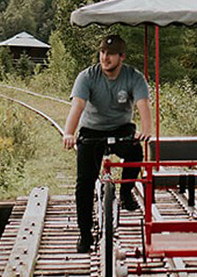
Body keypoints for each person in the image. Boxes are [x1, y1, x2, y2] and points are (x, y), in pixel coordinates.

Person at [63, 34, 153, 253]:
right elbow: (78, 106)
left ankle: (125, 192)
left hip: (121, 128)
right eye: (103, 52)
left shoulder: (133, 77)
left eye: (111, 54)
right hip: (92, 131)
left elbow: (143, 104)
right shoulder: (87, 76)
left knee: (135, 153)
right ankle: (85, 235)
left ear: (121, 57)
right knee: (84, 184)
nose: (105, 58)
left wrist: (148, 130)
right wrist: (69, 133)